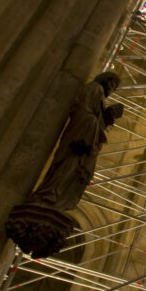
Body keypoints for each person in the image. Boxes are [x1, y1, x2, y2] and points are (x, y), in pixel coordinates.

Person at [31, 72, 123, 211]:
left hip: (87, 137)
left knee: (73, 173)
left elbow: (95, 119)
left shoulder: (98, 94)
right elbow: (83, 111)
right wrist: (101, 120)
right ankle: (50, 195)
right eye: (112, 84)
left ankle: (56, 198)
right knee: (68, 167)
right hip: (81, 137)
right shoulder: (95, 88)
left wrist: (107, 117)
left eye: (115, 87)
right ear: (105, 80)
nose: (113, 89)